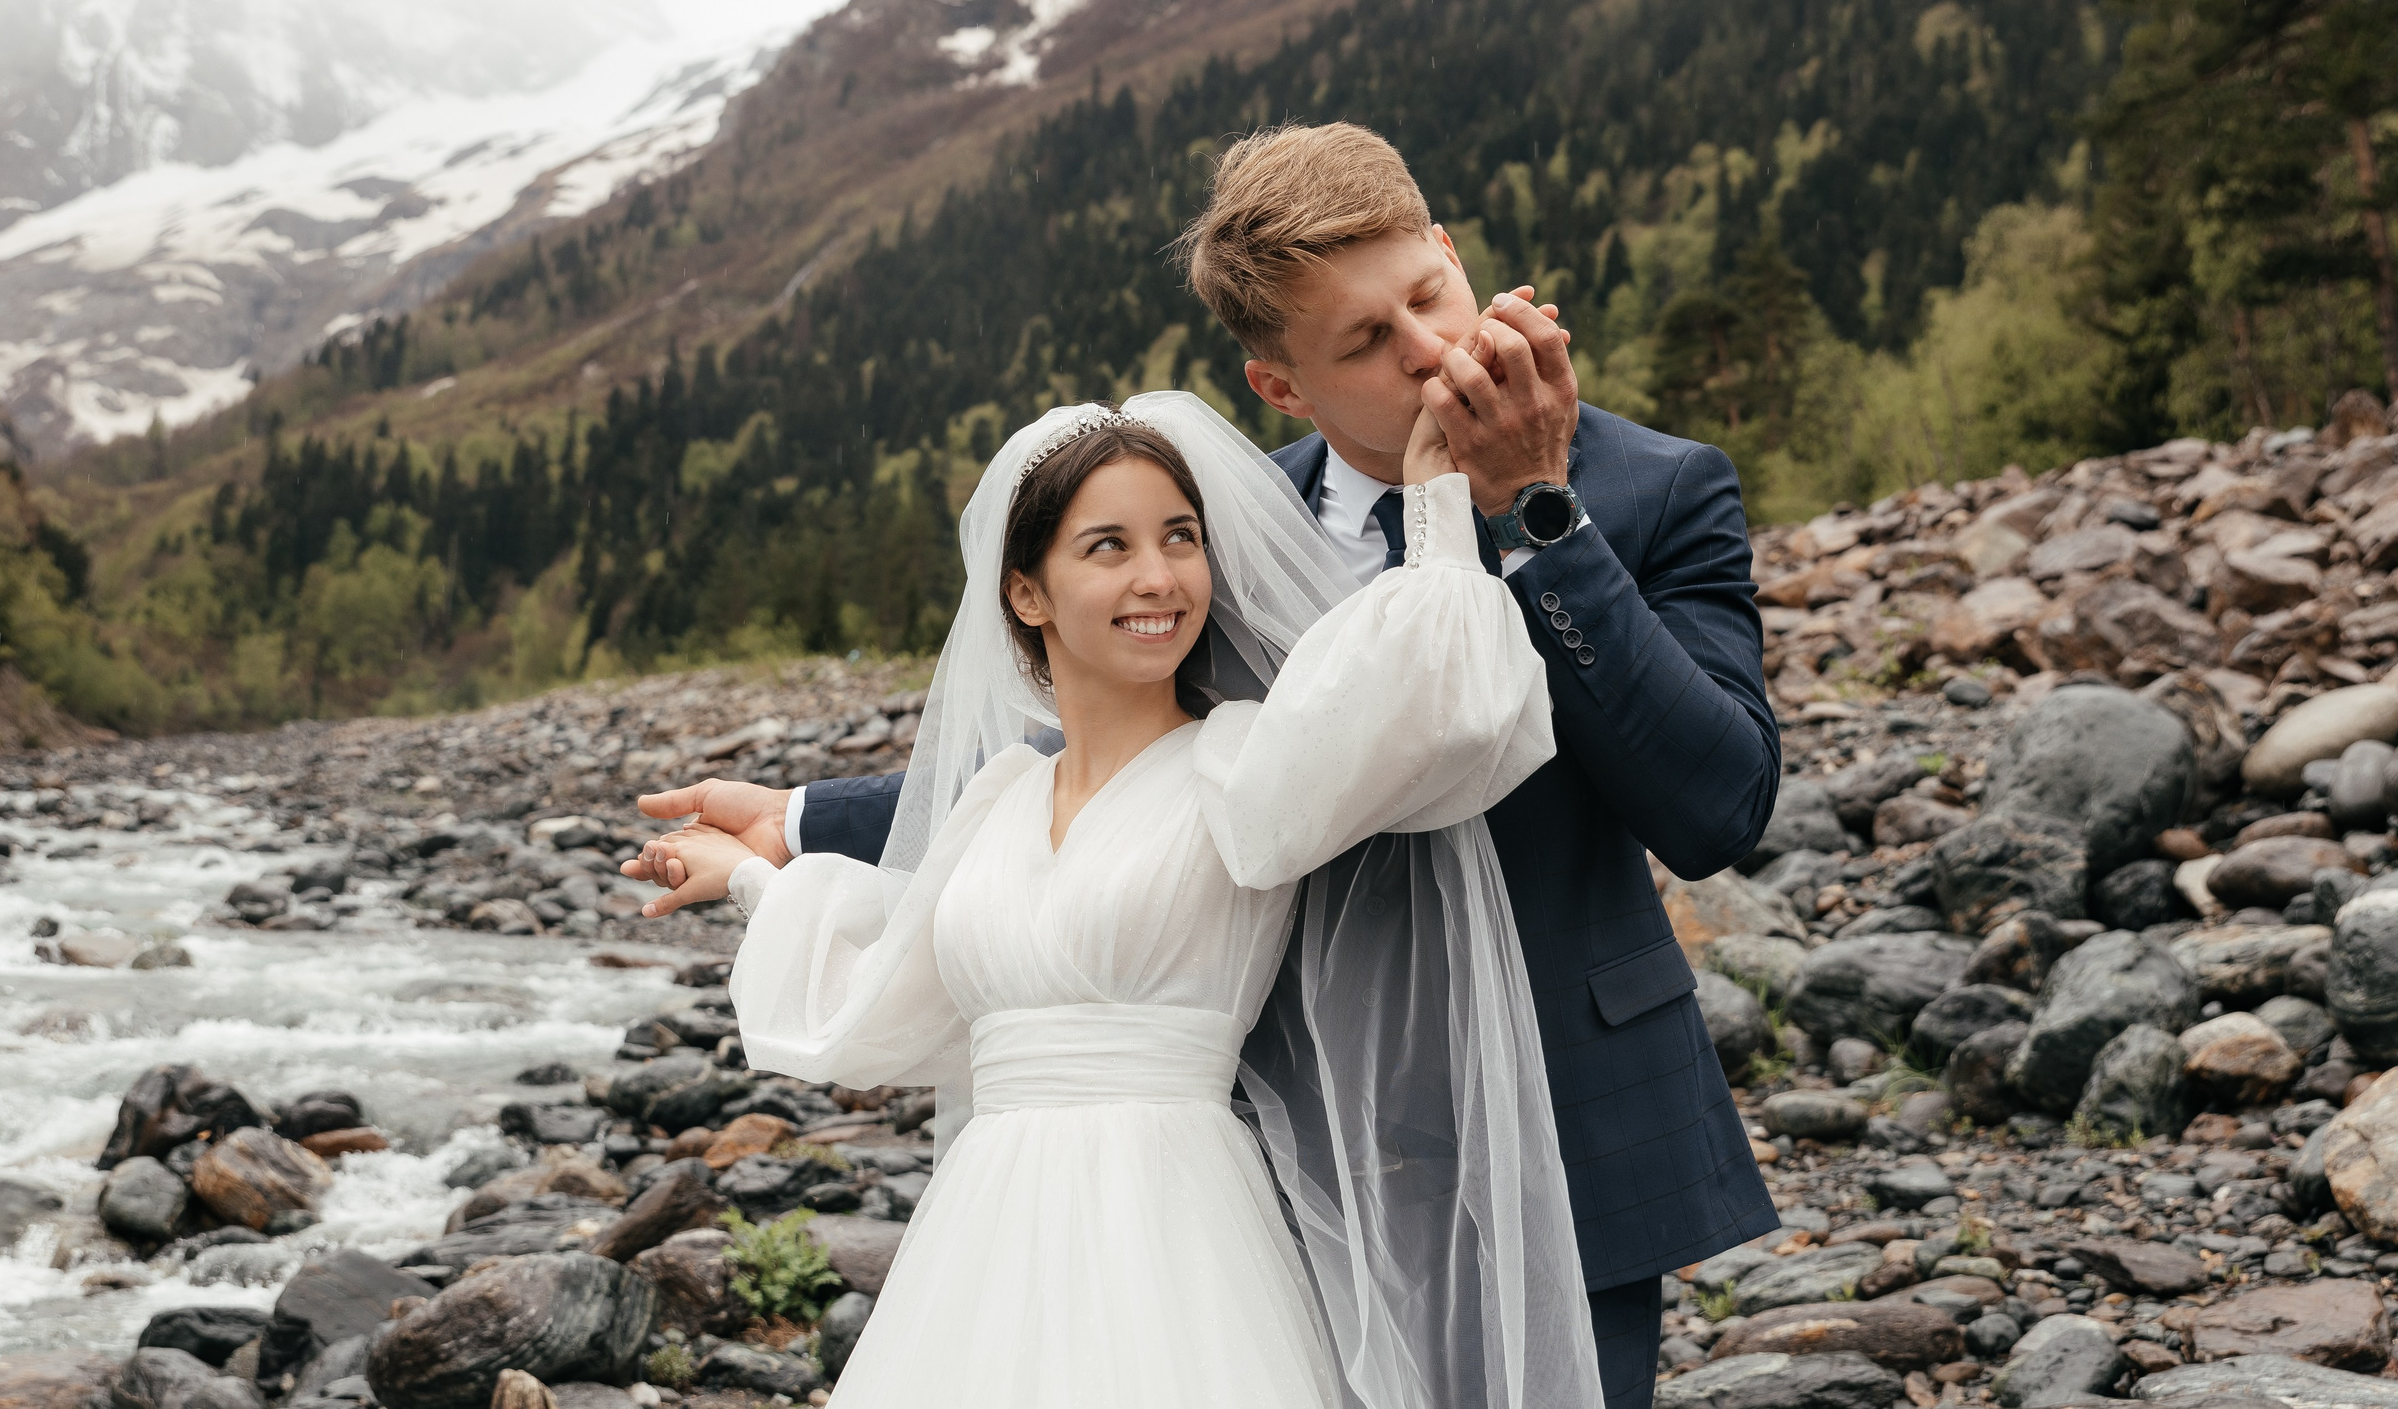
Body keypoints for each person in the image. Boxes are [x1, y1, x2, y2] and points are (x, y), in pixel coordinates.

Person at [641, 123, 1782, 1409]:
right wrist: (801, 821)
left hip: (1560, 1122)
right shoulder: (1220, 540)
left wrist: (1539, 511)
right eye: (1363, 342)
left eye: (1427, 294)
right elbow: (1112, 775)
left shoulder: (1657, 488)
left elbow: (1718, 804)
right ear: (1279, 386)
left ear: (1454, 252)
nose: (1425, 349)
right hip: (1278, 1142)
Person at [630, 393, 1598, 1409]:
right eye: (1109, 546)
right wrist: (743, 875)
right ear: (1028, 593)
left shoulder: (1241, 768)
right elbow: (887, 993)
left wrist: (1438, 507)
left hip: (1178, 1235)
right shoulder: (997, 801)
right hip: (982, 1247)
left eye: (1180, 538)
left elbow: (1433, 705)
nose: (1159, 577)